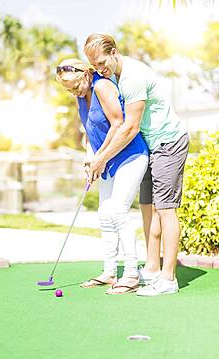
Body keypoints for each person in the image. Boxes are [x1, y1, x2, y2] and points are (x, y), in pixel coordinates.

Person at [83, 34, 189, 296]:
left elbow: (129, 128)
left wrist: (102, 158)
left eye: (101, 62)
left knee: (166, 210)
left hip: (168, 142)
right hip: (150, 145)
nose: (99, 69)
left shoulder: (132, 78)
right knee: (147, 208)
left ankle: (168, 279)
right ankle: (152, 269)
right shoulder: (111, 77)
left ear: (114, 52)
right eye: (94, 65)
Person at [56, 59, 148, 294]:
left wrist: (101, 157)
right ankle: (109, 272)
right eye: (68, 89)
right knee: (105, 215)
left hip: (130, 155)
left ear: (85, 75)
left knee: (118, 211)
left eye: (74, 86)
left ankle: (130, 274)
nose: (73, 92)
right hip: (106, 161)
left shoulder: (102, 86)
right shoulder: (81, 96)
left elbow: (118, 124)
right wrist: (91, 159)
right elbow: (90, 131)